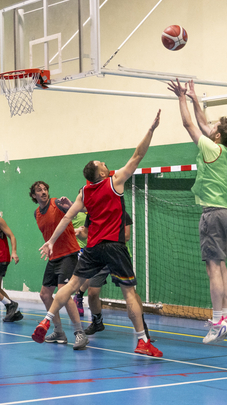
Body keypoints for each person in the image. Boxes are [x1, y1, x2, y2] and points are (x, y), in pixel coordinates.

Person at [33, 111, 163, 358]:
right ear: (102, 173)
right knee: (129, 293)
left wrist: (50, 240)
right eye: (101, 163)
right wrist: (152, 129)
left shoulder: (84, 192)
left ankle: (47, 320)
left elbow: (67, 217)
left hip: (92, 247)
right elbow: (138, 154)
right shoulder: (114, 181)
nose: (104, 163)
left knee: (71, 285)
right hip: (113, 245)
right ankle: (142, 341)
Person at [168, 79, 227, 343]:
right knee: (221, 266)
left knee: (212, 268)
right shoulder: (226, 150)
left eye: (214, 128)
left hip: (212, 215)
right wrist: (196, 98)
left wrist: (181, 98)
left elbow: (190, 125)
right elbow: (203, 123)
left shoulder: (210, 147)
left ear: (217, 136)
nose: (209, 127)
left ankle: (219, 320)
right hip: (226, 215)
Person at [29, 181, 87, 349]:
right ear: (33, 195)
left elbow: (74, 215)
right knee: (45, 294)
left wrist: (69, 207)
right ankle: (59, 332)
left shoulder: (56, 203)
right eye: (39, 190)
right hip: (53, 257)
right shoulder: (37, 213)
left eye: (45, 189)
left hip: (69, 254)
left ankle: (79, 333)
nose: (43, 192)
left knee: (64, 292)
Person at [77, 213, 152, 342]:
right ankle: (97, 322)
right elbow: (87, 236)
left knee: (131, 293)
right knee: (92, 293)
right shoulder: (93, 215)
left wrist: (105, 236)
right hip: (100, 257)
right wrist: (78, 233)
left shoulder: (121, 213)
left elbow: (127, 236)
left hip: (118, 256)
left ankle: (142, 326)